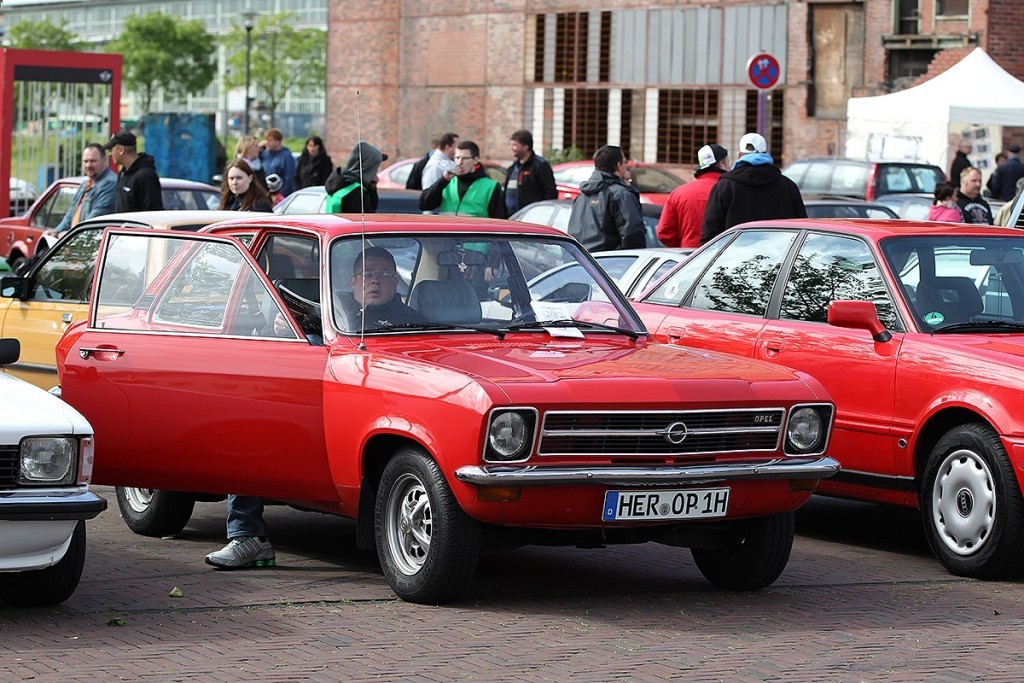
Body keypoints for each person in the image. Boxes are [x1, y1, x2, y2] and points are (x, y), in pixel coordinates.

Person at [700, 132, 806, 244]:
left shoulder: (725, 187)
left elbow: (710, 232)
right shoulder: (788, 186)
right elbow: (801, 225)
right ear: (766, 154)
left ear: (739, 155)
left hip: (736, 253)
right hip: (779, 253)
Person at [567, 145, 645, 252]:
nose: (626, 166)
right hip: (609, 260)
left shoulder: (582, 196)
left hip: (582, 259)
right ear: (618, 165)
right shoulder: (621, 194)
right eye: (625, 162)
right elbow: (633, 235)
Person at [335, 246, 426, 331]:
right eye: (367, 274)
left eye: (384, 275)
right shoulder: (334, 311)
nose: (375, 280)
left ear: (395, 283)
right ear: (353, 282)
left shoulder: (414, 324)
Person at [657, 144, 729, 248]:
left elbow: (664, 232)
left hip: (688, 254)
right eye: (728, 162)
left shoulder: (678, 193)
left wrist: (684, 245)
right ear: (721, 164)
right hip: (722, 254)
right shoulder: (730, 190)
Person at [419, 140, 506, 218]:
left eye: (464, 158)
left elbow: (499, 221)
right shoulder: (447, 182)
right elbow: (424, 205)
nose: (459, 162)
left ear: (475, 160)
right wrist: (443, 180)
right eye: (457, 158)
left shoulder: (490, 187)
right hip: (448, 231)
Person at [51, 143, 117, 235]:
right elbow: (71, 213)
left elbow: (94, 219)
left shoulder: (110, 183)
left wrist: (69, 235)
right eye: (85, 161)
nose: (88, 165)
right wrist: (56, 231)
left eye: (93, 161)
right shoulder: (85, 184)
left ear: (104, 160)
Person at [105, 130, 163, 212]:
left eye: (111, 150)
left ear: (121, 150)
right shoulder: (122, 174)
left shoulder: (146, 176)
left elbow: (152, 211)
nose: (110, 154)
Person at [324, 141, 387, 213]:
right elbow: (369, 215)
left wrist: (372, 187)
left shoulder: (341, 182)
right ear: (367, 167)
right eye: (375, 168)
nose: (376, 171)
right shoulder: (354, 191)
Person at [504, 129, 557, 214]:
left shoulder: (540, 165)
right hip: (511, 216)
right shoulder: (513, 167)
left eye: (515, 145)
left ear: (526, 147)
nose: (512, 148)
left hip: (531, 216)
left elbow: (550, 191)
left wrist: (544, 212)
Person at [259, 128, 297, 196]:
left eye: (270, 140)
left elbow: (289, 179)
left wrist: (281, 195)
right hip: (265, 192)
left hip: (279, 194)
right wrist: (259, 148)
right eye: (266, 140)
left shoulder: (286, 156)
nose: (266, 142)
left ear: (278, 141)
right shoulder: (264, 154)